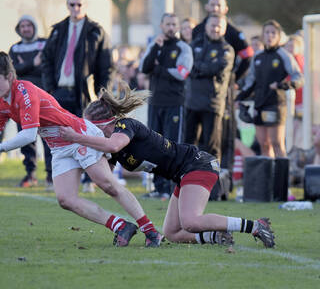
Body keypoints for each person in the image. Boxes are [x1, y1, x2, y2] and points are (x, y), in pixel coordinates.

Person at [59, 80, 275, 248]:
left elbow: (114, 146)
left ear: (103, 124)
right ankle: (215, 237)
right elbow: (107, 181)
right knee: (172, 232)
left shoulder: (124, 125)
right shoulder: (109, 143)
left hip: (197, 165)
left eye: (89, 127)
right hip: (182, 175)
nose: (87, 132)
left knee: (190, 221)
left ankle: (255, 226)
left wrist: (77, 138)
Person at [0, 52, 162, 248]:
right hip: (59, 147)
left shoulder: (25, 91)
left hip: (79, 135)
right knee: (65, 199)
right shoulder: (2, 99)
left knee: (107, 184)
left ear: (8, 76)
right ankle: (120, 225)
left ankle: (151, 231)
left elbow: (28, 135)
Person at [42, 0, 112, 193]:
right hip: (59, 92)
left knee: (87, 135)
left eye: (79, 4)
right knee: (54, 136)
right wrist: (49, 89)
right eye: (72, 4)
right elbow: (46, 60)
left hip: (84, 94)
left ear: (85, 5)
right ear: (67, 5)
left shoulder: (96, 31)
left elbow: (106, 65)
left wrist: (102, 93)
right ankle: (54, 177)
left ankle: (90, 180)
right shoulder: (58, 30)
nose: (76, 8)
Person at [193, 0, 254, 177]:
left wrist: (234, 78)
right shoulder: (198, 30)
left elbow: (247, 56)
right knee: (194, 137)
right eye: (212, 5)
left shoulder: (234, 33)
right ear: (206, 7)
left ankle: (221, 177)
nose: (215, 8)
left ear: (225, 9)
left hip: (222, 92)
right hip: (196, 94)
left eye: (219, 5)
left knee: (222, 136)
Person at [139, 13, 193, 199]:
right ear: (161, 25)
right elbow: (144, 68)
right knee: (154, 146)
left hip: (174, 103)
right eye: (168, 24)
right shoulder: (155, 45)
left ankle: (172, 188)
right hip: (155, 103)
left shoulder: (183, 48)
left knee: (172, 146)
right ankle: (158, 187)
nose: (171, 27)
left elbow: (182, 73)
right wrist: (156, 48)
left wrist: (159, 69)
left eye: (174, 24)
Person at [236, 20, 304, 158]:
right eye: (267, 32)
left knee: (277, 143)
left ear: (278, 36)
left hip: (276, 104)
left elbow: (299, 77)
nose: (270, 35)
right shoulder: (257, 56)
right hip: (260, 103)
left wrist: (282, 85)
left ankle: (281, 178)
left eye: (273, 33)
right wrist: (239, 98)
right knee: (264, 144)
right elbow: (251, 82)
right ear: (263, 35)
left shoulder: (283, 54)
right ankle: (268, 178)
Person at [8, 15, 53, 189]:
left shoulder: (45, 44)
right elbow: (12, 72)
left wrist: (23, 66)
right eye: (23, 26)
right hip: (22, 100)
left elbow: (47, 67)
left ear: (34, 27)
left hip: (42, 99)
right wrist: (31, 63)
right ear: (19, 29)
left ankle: (51, 175)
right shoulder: (15, 48)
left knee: (49, 138)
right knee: (26, 139)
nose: (26, 28)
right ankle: (30, 174)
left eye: (29, 25)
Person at [185, 14, 234, 163]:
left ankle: (212, 184)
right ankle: (186, 181)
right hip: (191, 102)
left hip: (212, 104)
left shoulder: (227, 49)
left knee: (211, 148)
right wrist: (204, 68)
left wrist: (198, 67)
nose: (216, 29)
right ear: (206, 26)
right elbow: (187, 66)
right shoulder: (194, 45)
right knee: (188, 145)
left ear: (224, 29)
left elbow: (217, 68)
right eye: (213, 25)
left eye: (219, 26)